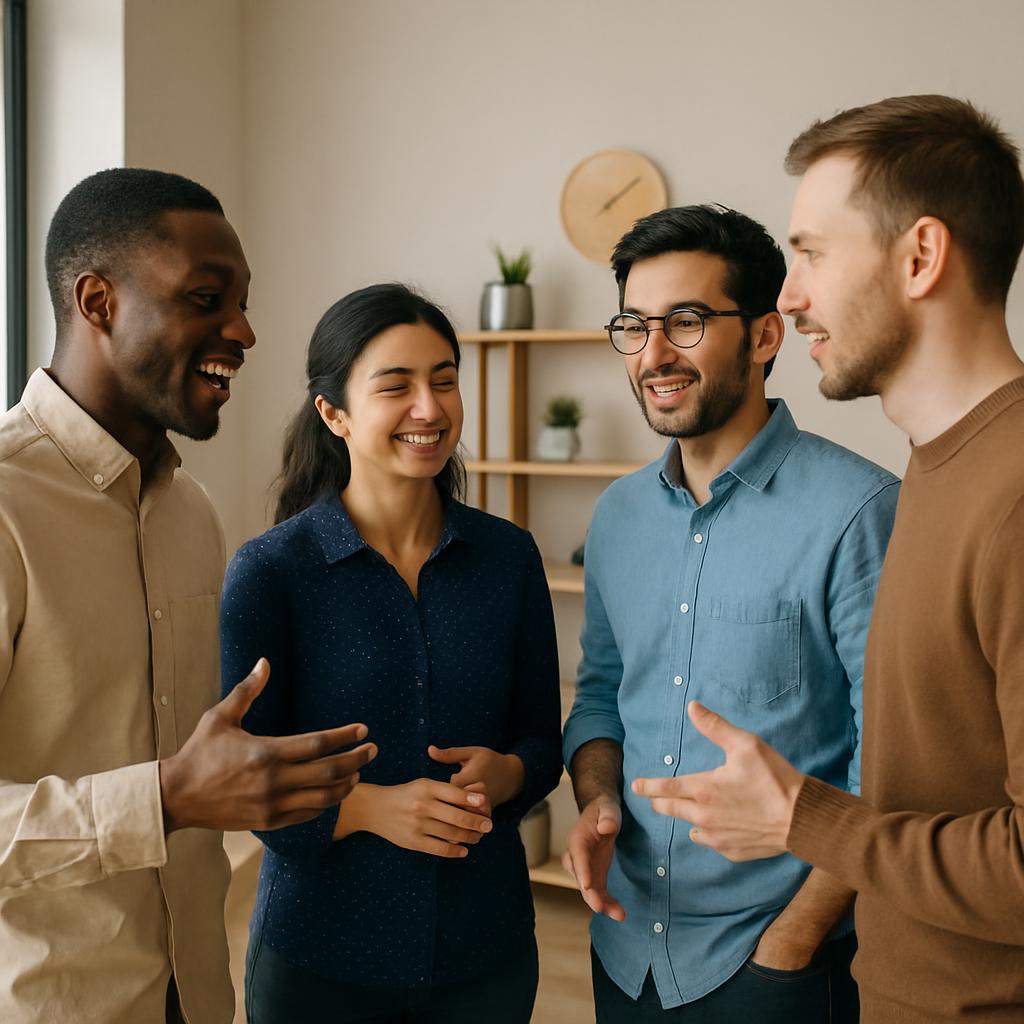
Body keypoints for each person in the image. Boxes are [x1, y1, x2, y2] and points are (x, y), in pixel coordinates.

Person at [633, 95, 1024, 1022]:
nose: (791, 296)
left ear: (921, 257)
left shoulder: (1013, 492)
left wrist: (800, 819)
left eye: (812, 253)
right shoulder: (939, 466)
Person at [0, 168, 375, 1024]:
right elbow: (183, 787)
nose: (242, 331)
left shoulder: (192, 513)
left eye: (242, 302)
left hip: (198, 991)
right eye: (207, 298)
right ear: (98, 302)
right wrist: (165, 797)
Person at [561, 205, 899, 1022]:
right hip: (623, 950)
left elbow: (888, 765)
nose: (655, 355)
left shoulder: (861, 511)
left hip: (776, 964)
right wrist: (596, 799)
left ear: (764, 336)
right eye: (635, 327)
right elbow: (602, 696)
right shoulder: (615, 517)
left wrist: (793, 942)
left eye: (685, 321)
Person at [220, 282, 563, 1023]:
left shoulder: (509, 558)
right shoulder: (270, 570)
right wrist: (366, 808)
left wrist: (511, 773)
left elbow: (541, 738)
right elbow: (241, 779)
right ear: (333, 413)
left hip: (487, 951)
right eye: (396, 386)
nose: (431, 408)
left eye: (444, 380)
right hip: (320, 955)